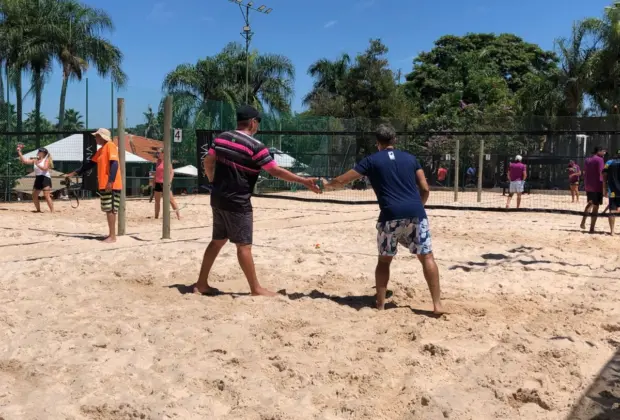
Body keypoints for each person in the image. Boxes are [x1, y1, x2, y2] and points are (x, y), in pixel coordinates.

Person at [194, 105, 321, 297]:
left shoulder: (221, 138)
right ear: (253, 122)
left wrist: (213, 181)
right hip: (238, 200)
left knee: (218, 240)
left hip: (217, 197)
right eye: (258, 122)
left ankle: (201, 283)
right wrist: (303, 181)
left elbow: (207, 162)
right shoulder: (255, 146)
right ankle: (256, 289)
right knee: (244, 246)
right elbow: (275, 171)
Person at [322, 124, 444, 314]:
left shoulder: (371, 160)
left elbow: (343, 180)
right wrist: (419, 206)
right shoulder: (411, 159)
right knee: (427, 257)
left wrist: (327, 185)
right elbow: (425, 188)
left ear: (377, 143)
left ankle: (380, 304)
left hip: (390, 215)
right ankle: (437, 305)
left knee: (385, 261)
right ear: (394, 140)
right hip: (416, 213)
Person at [66, 128, 122, 243]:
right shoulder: (101, 150)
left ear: (102, 137)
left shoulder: (110, 145)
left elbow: (115, 164)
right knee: (108, 208)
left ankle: (113, 236)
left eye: (96, 136)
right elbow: (90, 164)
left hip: (111, 184)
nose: (95, 138)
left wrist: (110, 181)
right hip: (105, 184)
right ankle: (110, 235)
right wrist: (73, 173)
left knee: (111, 209)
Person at [16, 145, 54, 213]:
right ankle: (38, 210)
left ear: (43, 153)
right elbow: (25, 161)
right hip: (38, 178)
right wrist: (19, 152)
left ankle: (52, 211)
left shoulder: (46, 160)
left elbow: (45, 168)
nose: (38, 152)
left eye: (40, 151)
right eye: (38, 151)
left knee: (46, 195)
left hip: (45, 178)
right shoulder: (35, 160)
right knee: (34, 196)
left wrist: (37, 164)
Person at [580, 146, 606, 233]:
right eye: (603, 151)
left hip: (588, 185)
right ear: (598, 151)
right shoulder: (600, 159)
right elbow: (601, 172)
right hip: (597, 185)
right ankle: (591, 228)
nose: (604, 153)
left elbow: (584, 172)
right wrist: (605, 186)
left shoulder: (587, 159)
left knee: (590, 203)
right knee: (596, 207)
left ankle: (583, 222)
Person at [153, 148, 181, 220]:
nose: (157, 154)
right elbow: (156, 173)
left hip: (165, 183)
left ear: (163, 153)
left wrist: (170, 181)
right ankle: (156, 216)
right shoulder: (158, 162)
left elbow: (172, 172)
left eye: (159, 153)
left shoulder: (167, 161)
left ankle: (178, 216)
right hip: (157, 183)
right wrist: (153, 182)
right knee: (157, 201)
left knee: (171, 200)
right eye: (157, 153)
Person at [603, 149, 620, 235]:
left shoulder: (609, 163)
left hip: (612, 191)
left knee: (612, 211)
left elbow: (604, 176)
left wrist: (604, 189)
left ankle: (612, 231)